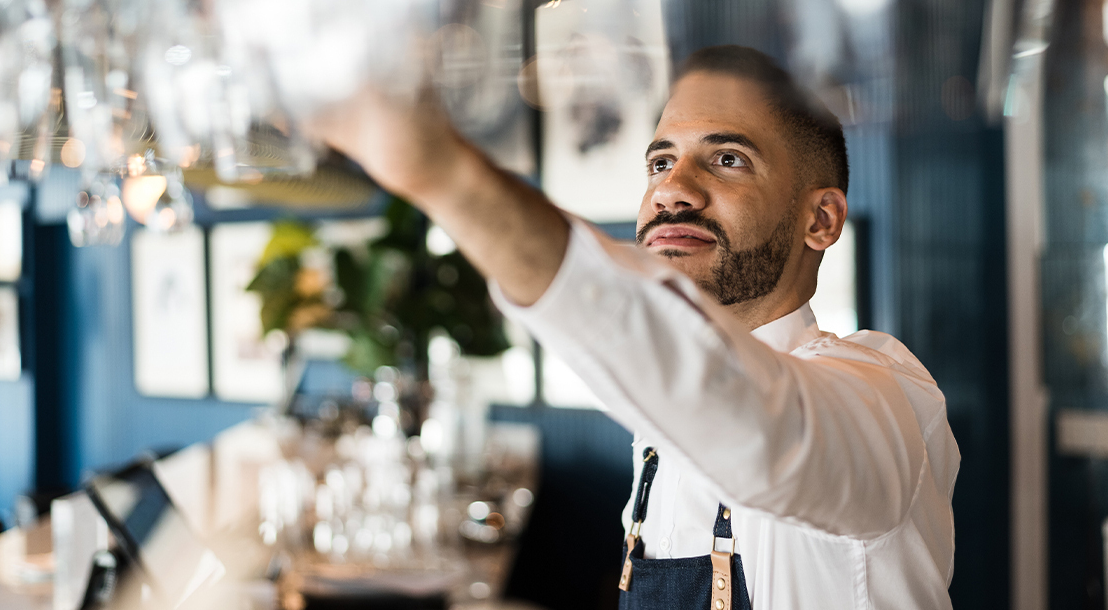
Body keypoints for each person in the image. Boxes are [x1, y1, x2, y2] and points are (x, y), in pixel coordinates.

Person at [309, 45, 959, 610]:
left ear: (821, 220)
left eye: (728, 159)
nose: (673, 189)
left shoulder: (888, 399)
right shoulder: (659, 431)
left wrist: (444, 175)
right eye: (659, 162)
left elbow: (764, 429)